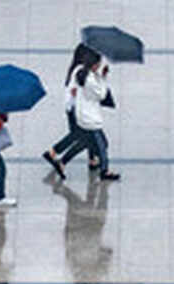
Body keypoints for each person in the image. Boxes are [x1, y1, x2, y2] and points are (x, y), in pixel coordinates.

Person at [42, 43, 100, 179]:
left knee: (81, 135)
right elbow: (81, 90)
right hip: (77, 110)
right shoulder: (80, 71)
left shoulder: (78, 68)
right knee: (85, 136)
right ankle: (56, 155)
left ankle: (92, 160)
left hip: (73, 108)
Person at [74, 53, 119, 181]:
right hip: (91, 118)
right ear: (94, 64)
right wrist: (104, 79)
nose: (99, 65)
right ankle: (104, 170)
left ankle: (94, 161)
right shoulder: (90, 80)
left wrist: (100, 75)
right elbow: (101, 95)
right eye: (98, 63)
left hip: (84, 115)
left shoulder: (82, 73)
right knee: (102, 145)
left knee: (92, 142)